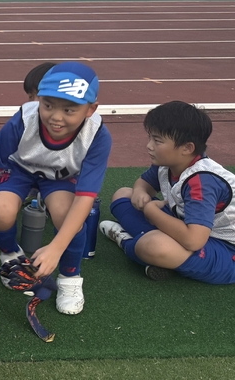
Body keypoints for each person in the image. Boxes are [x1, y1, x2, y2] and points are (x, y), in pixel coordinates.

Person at [0, 62, 111, 315]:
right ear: (39, 99)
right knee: (0, 208)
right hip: (19, 168)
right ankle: (10, 254)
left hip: (60, 177)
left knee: (66, 213)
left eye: (69, 109)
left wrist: (56, 248)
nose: (56, 116)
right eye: (48, 105)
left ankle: (70, 276)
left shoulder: (97, 135)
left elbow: (85, 198)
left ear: (91, 109)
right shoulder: (24, 119)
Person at [101, 102, 235, 285]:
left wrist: (151, 211)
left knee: (156, 246)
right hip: (190, 228)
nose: (149, 146)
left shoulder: (202, 182)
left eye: (157, 141)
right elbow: (144, 184)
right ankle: (154, 253)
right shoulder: (168, 163)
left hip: (226, 249)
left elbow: (194, 241)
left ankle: (125, 241)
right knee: (123, 194)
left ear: (187, 148)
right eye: (150, 138)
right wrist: (140, 191)